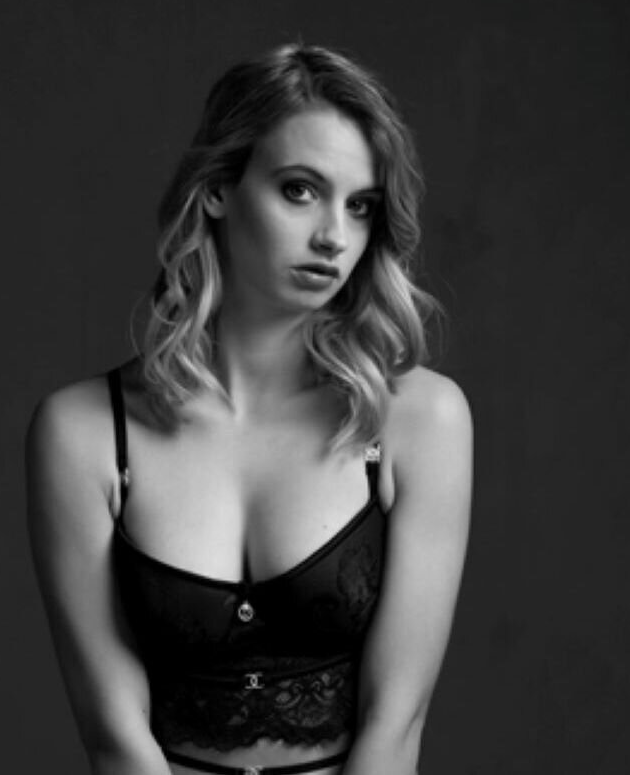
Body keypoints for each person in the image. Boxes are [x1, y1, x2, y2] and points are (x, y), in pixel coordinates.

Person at [26, 44, 472, 775]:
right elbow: (112, 732)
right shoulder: (83, 434)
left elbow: (396, 725)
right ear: (217, 190)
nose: (333, 236)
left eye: (360, 206)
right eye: (300, 190)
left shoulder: (418, 420)